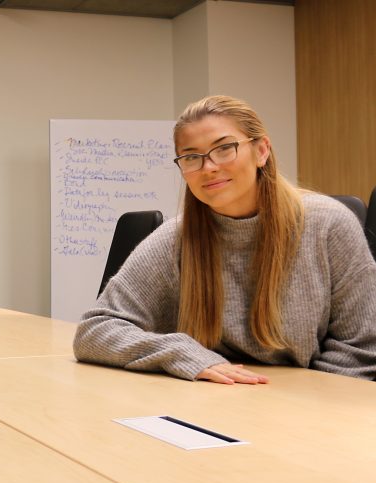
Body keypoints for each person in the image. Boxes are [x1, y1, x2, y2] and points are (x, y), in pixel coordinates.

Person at [74, 95, 376, 385]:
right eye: (192, 157)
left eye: (224, 148)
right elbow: (95, 331)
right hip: (216, 403)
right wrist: (184, 354)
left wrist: (306, 407)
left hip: (312, 411)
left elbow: (360, 348)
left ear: (261, 151)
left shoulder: (328, 225)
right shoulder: (176, 239)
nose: (209, 167)